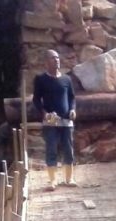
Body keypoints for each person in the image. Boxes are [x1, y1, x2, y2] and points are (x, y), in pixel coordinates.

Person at [33, 49, 76, 191]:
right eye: (53, 58)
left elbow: (72, 97)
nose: (56, 60)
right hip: (50, 121)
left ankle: (69, 178)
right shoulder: (41, 80)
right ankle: (52, 181)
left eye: (57, 57)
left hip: (66, 121)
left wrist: (72, 110)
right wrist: (44, 113)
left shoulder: (66, 79)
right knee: (51, 149)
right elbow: (36, 100)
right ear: (46, 62)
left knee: (68, 149)